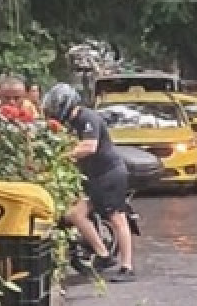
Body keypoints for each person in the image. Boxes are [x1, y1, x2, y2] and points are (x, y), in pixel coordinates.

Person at [43, 83, 134, 278]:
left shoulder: (87, 118)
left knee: (117, 219)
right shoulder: (73, 122)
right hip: (94, 176)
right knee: (76, 214)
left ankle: (127, 267)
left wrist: (63, 156)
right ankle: (103, 254)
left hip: (109, 174)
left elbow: (89, 146)